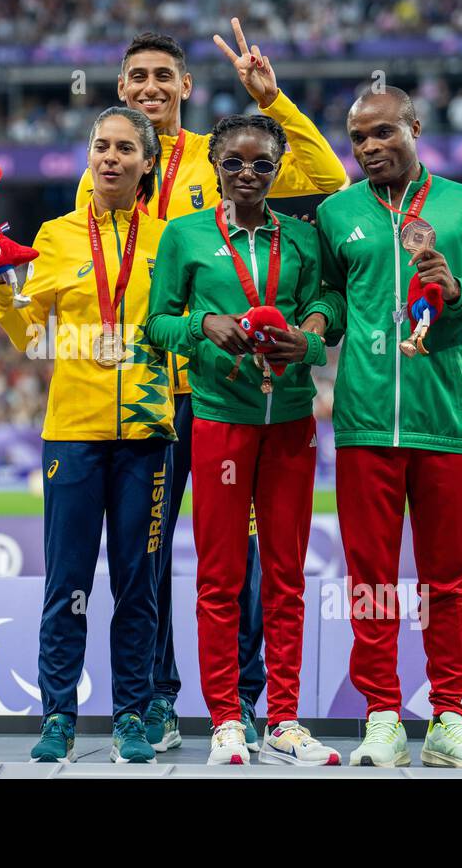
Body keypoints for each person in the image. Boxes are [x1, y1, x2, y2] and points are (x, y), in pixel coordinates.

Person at [76, 21, 348, 753]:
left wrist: (275, 98)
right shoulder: (112, 159)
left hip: (230, 393)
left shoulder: (225, 154)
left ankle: (254, 704)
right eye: (137, 78)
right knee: (154, 553)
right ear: (121, 88)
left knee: (251, 557)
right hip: (146, 391)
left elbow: (327, 179)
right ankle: (162, 703)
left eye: (164, 77)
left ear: (186, 88)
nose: (150, 90)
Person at [314, 86, 462, 768]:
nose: (369, 147)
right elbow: (333, 303)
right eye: (358, 139)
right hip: (366, 423)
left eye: (382, 133)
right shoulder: (336, 213)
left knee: (446, 583)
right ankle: (381, 715)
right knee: (370, 579)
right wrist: (314, 325)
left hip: (447, 422)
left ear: (414, 127)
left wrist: (457, 292)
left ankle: (449, 717)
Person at [146, 114, 344, 766]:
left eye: (262, 164)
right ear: (217, 168)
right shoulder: (185, 236)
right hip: (219, 420)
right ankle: (228, 720)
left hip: (290, 423)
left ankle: (284, 719)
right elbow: (157, 325)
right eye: (234, 163)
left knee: (285, 576)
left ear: (279, 167)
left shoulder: (305, 238)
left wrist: (309, 335)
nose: (248, 175)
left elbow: (330, 309)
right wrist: (205, 323)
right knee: (220, 577)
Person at [0, 107, 174, 764]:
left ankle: (130, 712)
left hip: (149, 434)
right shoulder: (55, 235)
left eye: (126, 148)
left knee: (139, 582)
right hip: (71, 432)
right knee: (67, 580)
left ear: (146, 162)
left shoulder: (172, 238)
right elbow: (30, 336)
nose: (110, 157)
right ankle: (59, 716)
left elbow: (184, 325)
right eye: (101, 146)